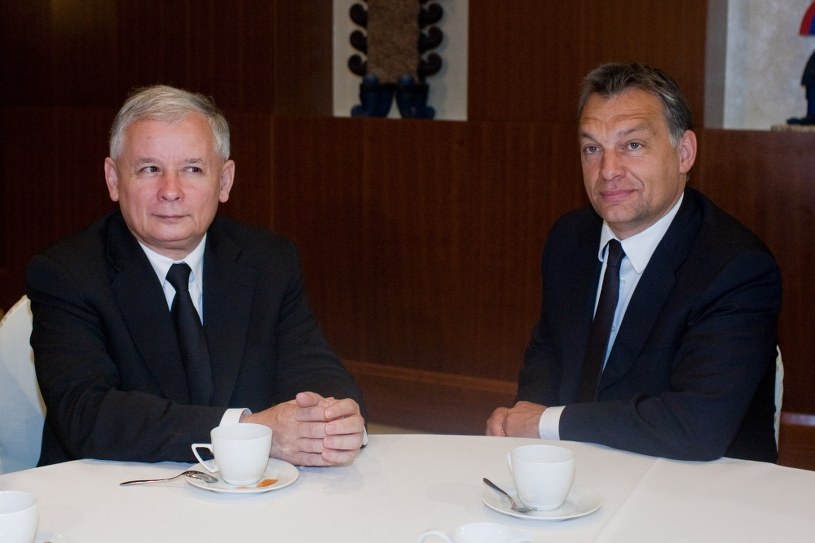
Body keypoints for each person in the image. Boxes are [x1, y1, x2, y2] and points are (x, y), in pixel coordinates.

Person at [27, 85, 367, 467]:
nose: (171, 191)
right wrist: (247, 431)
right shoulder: (66, 274)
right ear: (113, 179)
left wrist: (335, 419)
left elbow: (313, 369)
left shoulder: (268, 261)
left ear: (224, 181)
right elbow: (87, 415)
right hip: (109, 487)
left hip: (242, 491)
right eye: (150, 169)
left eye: (192, 169)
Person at [486, 63, 781, 462]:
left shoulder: (736, 268)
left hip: (700, 483)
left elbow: (696, 425)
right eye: (592, 149)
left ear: (684, 153)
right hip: (581, 470)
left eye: (633, 145)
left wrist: (545, 422)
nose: (608, 171)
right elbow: (549, 354)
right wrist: (525, 417)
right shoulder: (570, 239)